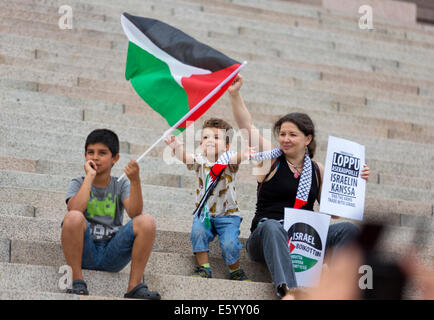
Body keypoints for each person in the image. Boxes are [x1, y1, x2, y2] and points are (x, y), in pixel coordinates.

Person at [228, 75, 370, 299]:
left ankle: (335, 284)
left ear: (307, 139)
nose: (285, 139)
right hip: (266, 236)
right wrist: (235, 94)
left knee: (349, 230)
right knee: (273, 227)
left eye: (292, 134)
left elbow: (332, 212)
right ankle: (289, 292)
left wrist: (356, 183)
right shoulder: (270, 159)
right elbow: (247, 127)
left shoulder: (317, 169)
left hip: (305, 238)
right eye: (282, 134)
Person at [61, 129, 161, 299]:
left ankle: (134, 286)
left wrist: (135, 181)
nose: (95, 157)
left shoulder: (120, 184)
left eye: (102, 153)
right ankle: (77, 280)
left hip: (112, 252)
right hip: (85, 250)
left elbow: (135, 212)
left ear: (115, 158)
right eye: (90, 152)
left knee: (146, 222)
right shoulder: (78, 182)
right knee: (73, 217)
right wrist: (89, 177)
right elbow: (75, 209)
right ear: (85, 155)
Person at [164, 118, 254, 281]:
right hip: (204, 213)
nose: (210, 141)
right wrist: (176, 148)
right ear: (200, 143)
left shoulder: (228, 160)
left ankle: (235, 270)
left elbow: (237, 158)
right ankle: (203, 267)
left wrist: (244, 154)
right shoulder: (199, 160)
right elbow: (186, 159)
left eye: (216, 137)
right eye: (206, 138)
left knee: (229, 243)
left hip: (228, 215)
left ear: (227, 146)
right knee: (198, 233)